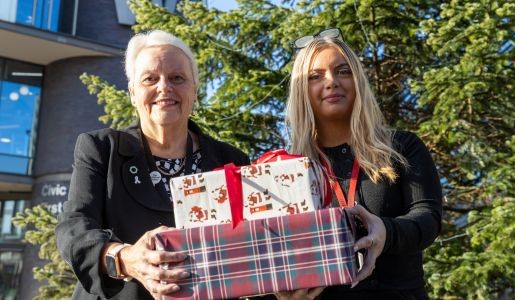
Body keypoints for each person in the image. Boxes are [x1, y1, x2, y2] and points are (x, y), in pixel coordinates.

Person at [55, 30, 250, 300]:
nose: (164, 88)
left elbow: (252, 245)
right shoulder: (101, 149)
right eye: (150, 79)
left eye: (177, 78)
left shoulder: (231, 161)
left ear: (194, 90)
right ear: (133, 93)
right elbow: (74, 227)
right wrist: (125, 259)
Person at [279, 28, 443, 299]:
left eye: (342, 71)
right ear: (301, 91)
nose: (331, 82)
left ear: (358, 80)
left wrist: (386, 232)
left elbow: (428, 217)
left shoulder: (402, 147)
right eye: (315, 76)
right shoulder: (287, 172)